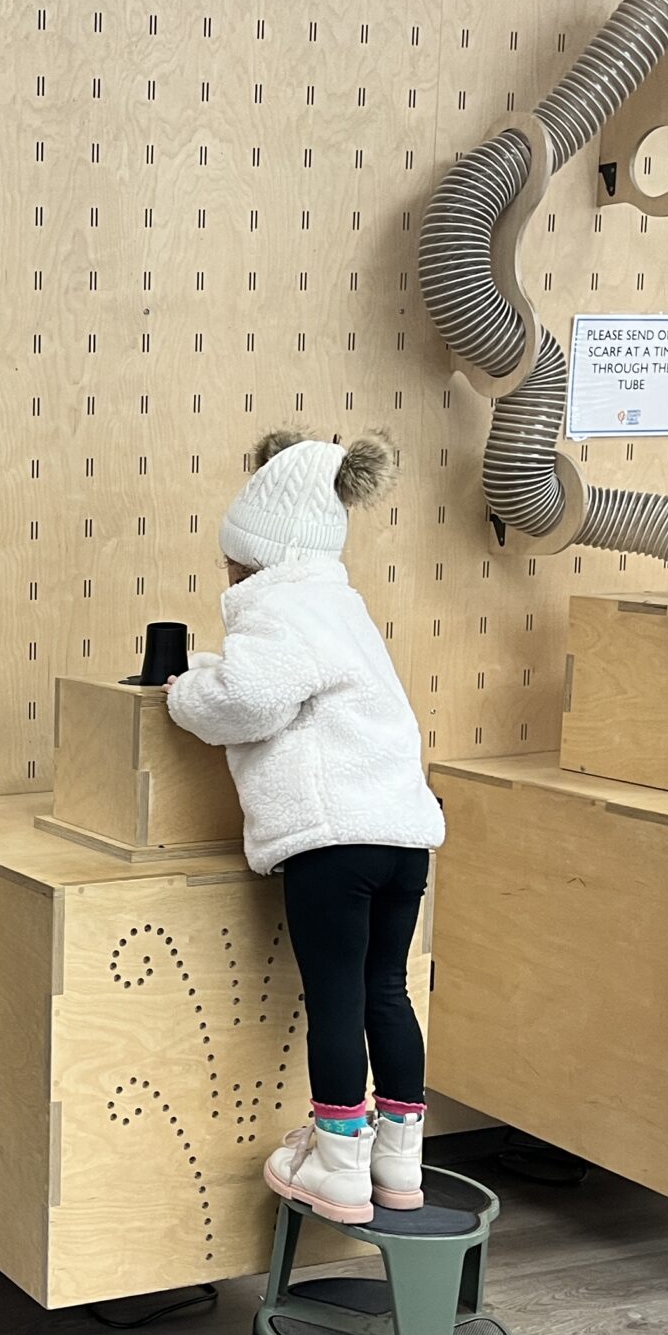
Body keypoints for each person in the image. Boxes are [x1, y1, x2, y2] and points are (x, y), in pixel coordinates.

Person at [165, 431, 446, 1224]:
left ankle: (339, 1166)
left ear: (254, 556)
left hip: (335, 841)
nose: (224, 573)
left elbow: (250, 701)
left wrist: (186, 695)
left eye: (229, 559)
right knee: (386, 993)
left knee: (333, 999)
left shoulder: (279, 608)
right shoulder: (344, 609)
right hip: (403, 838)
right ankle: (399, 1163)